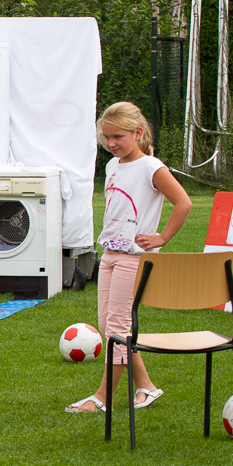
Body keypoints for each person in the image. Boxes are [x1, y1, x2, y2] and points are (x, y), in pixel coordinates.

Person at [66, 101, 191, 413]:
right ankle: (146, 387)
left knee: (118, 328)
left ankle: (103, 398)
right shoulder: (112, 166)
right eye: (106, 137)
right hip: (109, 255)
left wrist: (161, 238)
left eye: (118, 136)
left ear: (137, 133)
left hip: (134, 259)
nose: (111, 143)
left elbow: (183, 202)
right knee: (109, 327)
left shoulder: (152, 167)